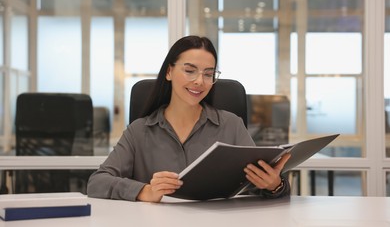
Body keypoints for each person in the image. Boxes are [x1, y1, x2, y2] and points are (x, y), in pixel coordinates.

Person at [87, 35, 291, 202]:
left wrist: (275, 184)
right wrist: (145, 191)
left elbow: (257, 186)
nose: (199, 81)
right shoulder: (139, 131)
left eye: (208, 74)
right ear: (169, 71)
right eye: (189, 70)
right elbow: (97, 182)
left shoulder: (231, 125)